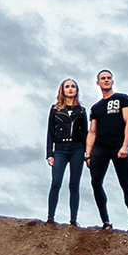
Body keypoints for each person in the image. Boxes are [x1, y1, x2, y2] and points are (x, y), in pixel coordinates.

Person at [84, 69, 128, 231]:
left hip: (118, 147)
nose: (106, 80)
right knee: (95, 183)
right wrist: (88, 155)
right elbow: (92, 132)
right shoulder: (96, 108)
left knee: (125, 184)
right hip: (100, 148)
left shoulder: (123, 99)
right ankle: (106, 223)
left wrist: (125, 145)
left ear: (112, 81)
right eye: (103, 78)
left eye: (109, 78)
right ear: (98, 83)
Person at [44, 77, 86, 224]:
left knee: (74, 184)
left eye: (73, 86)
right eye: (67, 86)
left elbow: (85, 133)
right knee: (56, 182)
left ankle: (73, 220)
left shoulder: (81, 111)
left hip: (77, 149)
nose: (70, 89)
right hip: (60, 149)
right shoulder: (55, 109)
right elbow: (49, 132)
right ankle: (50, 218)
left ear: (76, 90)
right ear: (62, 90)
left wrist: (87, 154)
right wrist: (49, 153)